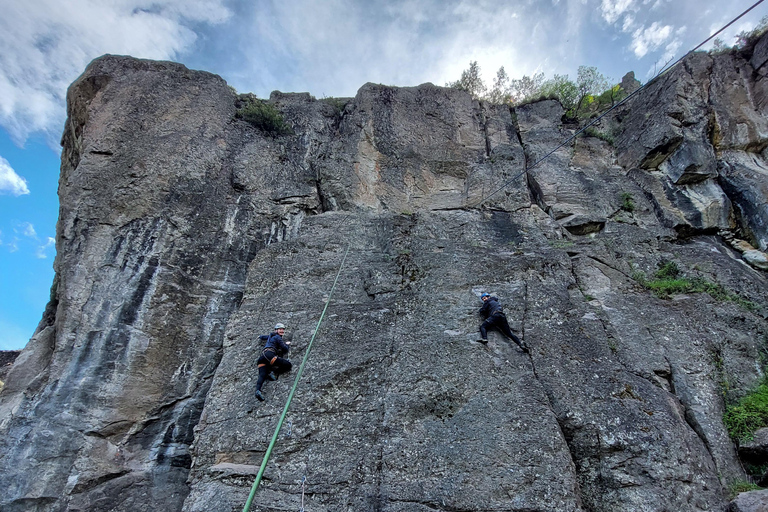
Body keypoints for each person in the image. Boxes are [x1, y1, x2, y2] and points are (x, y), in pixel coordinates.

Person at [255, 323, 293, 401]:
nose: (282, 331)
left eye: (283, 329)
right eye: (280, 329)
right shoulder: (278, 337)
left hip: (262, 357)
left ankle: (258, 390)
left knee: (262, 374)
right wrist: (287, 344)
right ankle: (273, 372)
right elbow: (284, 348)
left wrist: (260, 336)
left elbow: (264, 337)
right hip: (270, 355)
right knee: (288, 365)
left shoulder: (270, 336)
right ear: (276, 330)